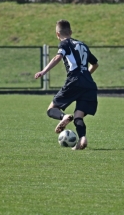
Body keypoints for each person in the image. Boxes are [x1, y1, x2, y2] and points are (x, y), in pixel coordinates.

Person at [34, 19, 99, 150]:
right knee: (78, 116)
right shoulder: (83, 45)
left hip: (74, 81)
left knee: (51, 109)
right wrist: (85, 76)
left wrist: (44, 71)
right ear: (71, 31)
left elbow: (57, 57)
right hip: (89, 84)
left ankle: (64, 117)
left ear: (57, 34)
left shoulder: (64, 44)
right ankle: (82, 139)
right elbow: (95, 64)